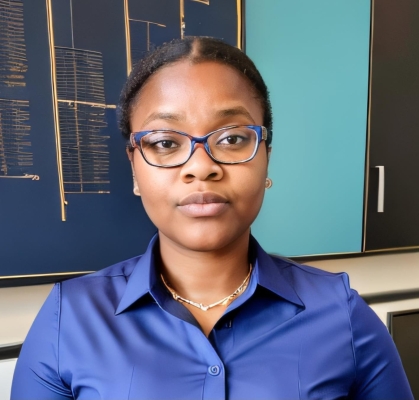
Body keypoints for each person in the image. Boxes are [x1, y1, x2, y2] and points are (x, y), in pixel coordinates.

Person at [12, 37, 413, 399]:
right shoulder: (71, 319)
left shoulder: (341, 314)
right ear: (134, 169)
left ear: (266, 156)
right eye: (166, 142)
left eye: (233, 138)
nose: (201, 167)